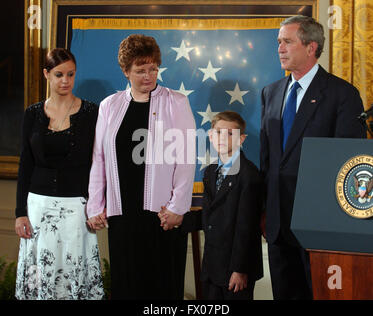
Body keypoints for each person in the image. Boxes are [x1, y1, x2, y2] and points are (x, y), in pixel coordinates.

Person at [260, 15, 366, 300]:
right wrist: (264, 209)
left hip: (320, 221)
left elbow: (348, 163)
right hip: (278, 223)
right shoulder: (270, 93)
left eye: (287, 42)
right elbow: (268, 158)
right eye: (278, 42)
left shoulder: (342, 94)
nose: (279, 48)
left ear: (311, 47)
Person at [86, 34, 196, 300]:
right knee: (127, 287)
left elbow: (186, 158)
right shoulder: (109, 106)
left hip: (162, 215)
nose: (149, 76)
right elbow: (99, 158)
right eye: (140, 70)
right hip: (122, 215)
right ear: (125, 71)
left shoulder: (176, 102)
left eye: (153, 69)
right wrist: (94, 205)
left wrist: (177, 206)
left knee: (162, 288)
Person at [14, 48, 104, 300]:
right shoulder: (32, 113)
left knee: (75, 278)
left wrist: (97, 204)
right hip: (37, 208)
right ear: (46, 74)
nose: (65, 80)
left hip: (78, 208)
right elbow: (25, 164)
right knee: (41, 278)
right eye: (59, 74)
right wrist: (20, 212)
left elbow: (99, 163)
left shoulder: (91, 113)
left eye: (71, 74)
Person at [173, 111, 263, 300]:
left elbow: (246, 227)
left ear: (242, 139)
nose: (223, 138)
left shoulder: (249, 175)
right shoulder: (211, 172)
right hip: (212, 265)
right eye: (219, 132)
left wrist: (240, 269)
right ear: (211, 136)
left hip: (235, 270)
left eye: (231, 134)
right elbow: (211, 214)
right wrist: (179, 220)